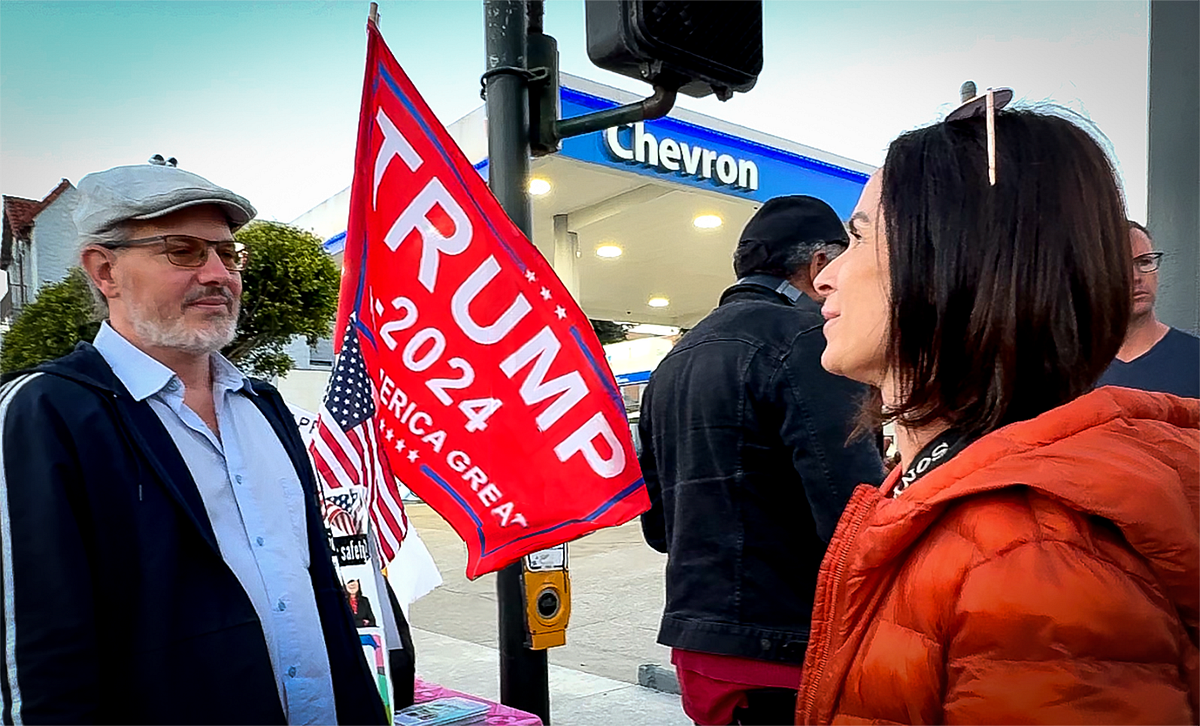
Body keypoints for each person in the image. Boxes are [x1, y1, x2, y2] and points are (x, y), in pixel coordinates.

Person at [798, 106, 1199, 724]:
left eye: (858, 237)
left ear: (955, 263)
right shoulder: (955, 489)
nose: (825, 278)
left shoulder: (1035, 560)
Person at [0, 161, 386, 724]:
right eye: (182, 251)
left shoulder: (264, 406)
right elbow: (38, 657)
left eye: (228, 254)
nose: (218, 274)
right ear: (105, 270)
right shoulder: (46, 412)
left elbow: (320, 590)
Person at [638, 196, 885, 726]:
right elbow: (853, 510)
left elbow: (658, 528)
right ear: (819, 264)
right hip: (787, 644)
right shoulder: (808, 342)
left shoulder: (670, 364)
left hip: (697, 644)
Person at [1096, 221, 1199, 398]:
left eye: (1144, 262)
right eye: (1122, 267)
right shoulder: (1077, 367)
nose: (1136, 277)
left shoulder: (1194, 357)